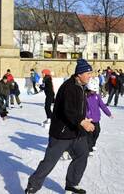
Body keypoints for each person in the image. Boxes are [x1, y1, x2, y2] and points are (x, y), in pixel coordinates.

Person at [25, 58, 95, 194]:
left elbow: (77, 109)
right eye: (88, 73)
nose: (90, 76)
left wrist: (84, 118)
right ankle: (32, 187)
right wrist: (82, 121)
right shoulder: (69, 87)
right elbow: (67, 110)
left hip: (76, 132)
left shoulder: (81, 86)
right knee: (49, 162)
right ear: (79, 74)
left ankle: (72, 184)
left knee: (82, 154)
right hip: (61, 133)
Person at [85, 79, 113, 156]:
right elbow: (83, 109)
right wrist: (87, 117)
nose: (93, 92)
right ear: (88, 89)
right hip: (88, 119)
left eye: (94, 91)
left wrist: (109, 113)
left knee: (97, 132)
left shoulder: (97, 96)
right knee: (89, 134)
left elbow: (102, 106)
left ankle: (92, 144)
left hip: (96, 118)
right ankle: (89, 149)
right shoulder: (84, 97)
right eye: (92, 91)